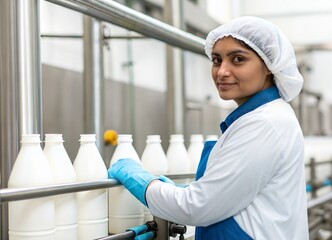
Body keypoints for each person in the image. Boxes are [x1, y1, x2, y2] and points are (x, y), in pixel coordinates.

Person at [108, 16, 309, 239]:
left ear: (269, 67)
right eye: (216, 60)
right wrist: (175, 191)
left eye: (238, 59)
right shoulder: (262, 117)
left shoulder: (265, 123)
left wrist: (140, 181)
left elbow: (195, 207)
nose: (222, 71)